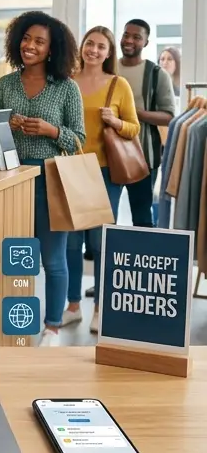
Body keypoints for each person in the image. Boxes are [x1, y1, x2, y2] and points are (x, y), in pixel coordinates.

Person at [0, 11, 85, 346]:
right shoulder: (5, 84)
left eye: (39, 41)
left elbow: (79, 140)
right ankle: (16, 322)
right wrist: (5, 125)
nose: (30, 46)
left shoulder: (67, 88)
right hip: (11, 180)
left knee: (52, 259)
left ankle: (53, 327)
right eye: (26, 39)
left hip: (50, 180)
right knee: (15, 256)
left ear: (51, 49)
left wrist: (51, 130)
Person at [67, 26, 139, 335]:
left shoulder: (118, 85)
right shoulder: (66, 82)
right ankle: (72, 306)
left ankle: (99, 308)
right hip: (70, 172)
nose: (93, 50)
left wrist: (116, 121)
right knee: (70, 243)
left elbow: (134, 128)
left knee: (99, 242)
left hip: (106, 174)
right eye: (89, 44)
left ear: (109, 53)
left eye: (100, 46)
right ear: (82, 47)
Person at [118, 18, 175, 226]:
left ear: (146, 43)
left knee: (141, 217)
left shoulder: (156, 74)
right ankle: (100, 257)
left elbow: (169, 116)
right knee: (101, 216)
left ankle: (141, 256)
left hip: (143, 158)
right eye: (126, 35)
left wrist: (135, 113)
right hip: (106, 156)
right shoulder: (107, 69)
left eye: (136, 37)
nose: (129, 40)